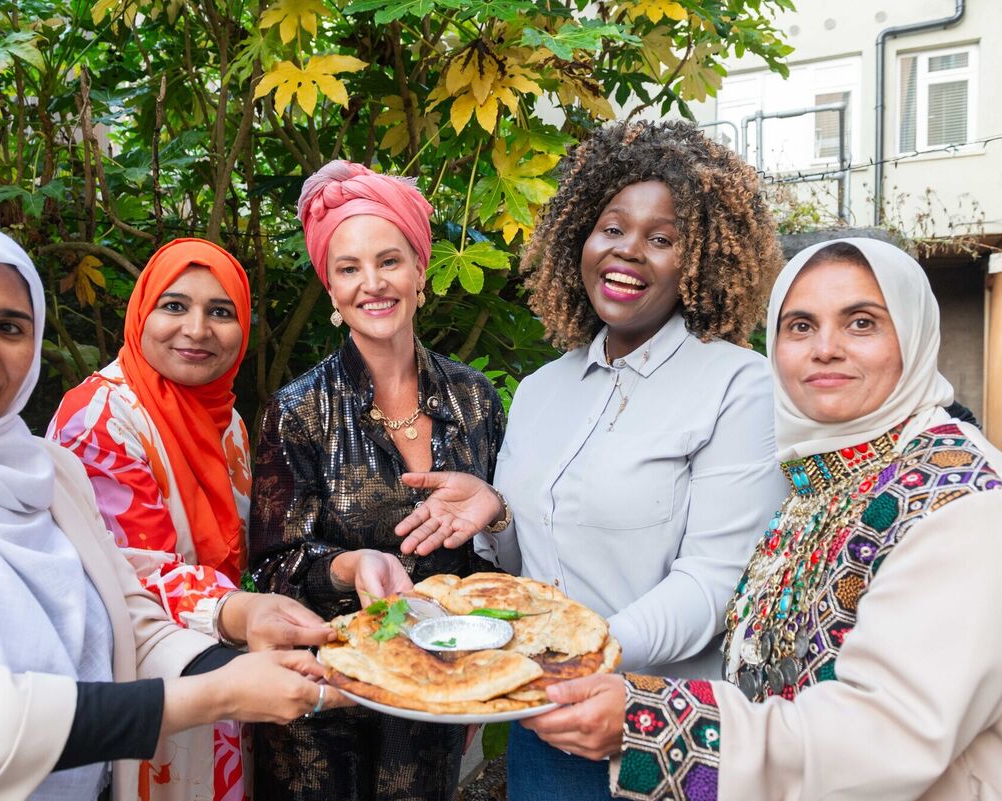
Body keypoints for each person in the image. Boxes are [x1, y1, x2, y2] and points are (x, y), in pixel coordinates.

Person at [0, 220, 348, 801]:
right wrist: (216, 692)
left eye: (10, 326)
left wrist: (239, 649)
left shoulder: (46, 474)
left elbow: (126, 614)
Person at [515, 237, 1002, 801]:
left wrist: (647, 719)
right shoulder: (824, 478)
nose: (825, 348)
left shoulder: (960, 499)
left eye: (861, 322)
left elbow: (890, 736)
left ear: (914, 336)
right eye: (799, 326)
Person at [394, 120, 787, 800]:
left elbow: (715, 583)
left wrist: (581, 651)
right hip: (537, 721)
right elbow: (527, 573)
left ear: (699, 262)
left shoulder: (738, 385)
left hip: (650, 728)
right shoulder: (543, 391)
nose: (628, 251)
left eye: (662, 239)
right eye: (612, 227)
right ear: (580, 235)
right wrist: (497, 515)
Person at [248, 160, 506, 801]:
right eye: (348, 268)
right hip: (325, 690)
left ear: (420, 272)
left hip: (438, 684)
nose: (372, 283)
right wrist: (350, 564)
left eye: (389, 261)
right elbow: (275, 567)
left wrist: (497, 508)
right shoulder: (297, 409)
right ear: (330, 290)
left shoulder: (476, 400)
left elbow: (500, 558)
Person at [49, 238, 260, 801]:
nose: (196, 329)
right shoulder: (100, 416)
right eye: (174, 306)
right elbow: (127, 570)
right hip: (135, 680)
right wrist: (245, 614)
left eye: (221, 311)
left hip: (218, 662)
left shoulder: (228, 424)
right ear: (141, 312)